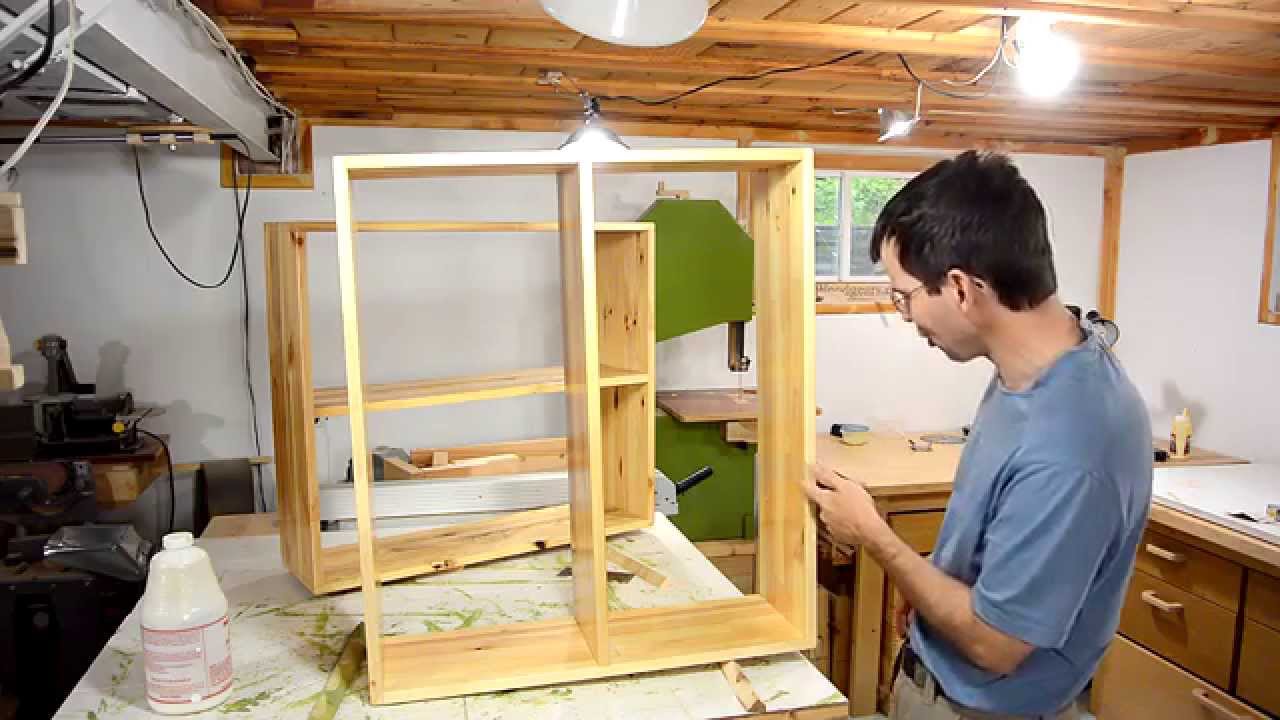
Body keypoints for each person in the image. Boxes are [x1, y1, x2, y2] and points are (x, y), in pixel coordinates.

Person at [803, 151, 1152, 720]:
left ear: (962, 289)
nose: (909, 318)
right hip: (940, 680)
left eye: (905, 296)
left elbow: (995, 644)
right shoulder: (1031, 369)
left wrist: (876, 537)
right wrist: (927, 593)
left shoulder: (1073, 445)